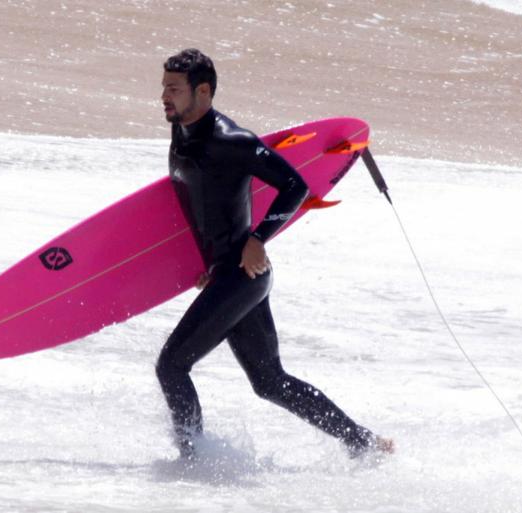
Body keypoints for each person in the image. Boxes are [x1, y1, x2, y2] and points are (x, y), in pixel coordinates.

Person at [155, 48, 394, 460]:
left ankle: (191, 459)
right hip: (227, 274)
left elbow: (294, 186)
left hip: (244, 273)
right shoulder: (182, 132)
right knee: (269, 381)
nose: (164, 96)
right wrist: (205, 262)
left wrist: (258, 238)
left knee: (171, 366)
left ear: (204, 91)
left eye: (174, 89)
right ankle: (364, 442)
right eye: (164, 87)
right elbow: (204, 206)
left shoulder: (233, 141)